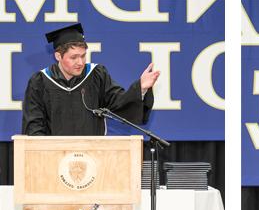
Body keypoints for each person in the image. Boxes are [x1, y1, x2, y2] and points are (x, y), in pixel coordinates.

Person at [22, 23, 160, 135]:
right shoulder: (40, 81)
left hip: (92, 155)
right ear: (58, 56)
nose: (80, 62)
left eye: (83, 56)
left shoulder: (96, 75)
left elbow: (119, 103)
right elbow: (34, 126)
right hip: (54, 158)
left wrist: (140, 88)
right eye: (74, 57)